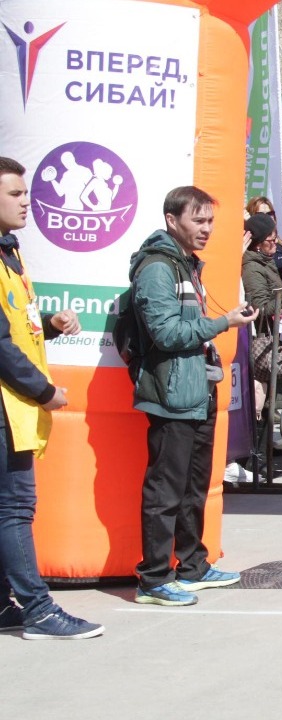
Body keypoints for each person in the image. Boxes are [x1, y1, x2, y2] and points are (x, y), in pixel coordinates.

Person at [130, 186, 258, 606]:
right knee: (165, 490)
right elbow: (166, 333)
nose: (206, 229)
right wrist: (222, 323)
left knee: (193, 487)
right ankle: (153, 579)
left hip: (197, 391)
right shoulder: (157, 268)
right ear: (172, 220)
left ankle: (192, 566)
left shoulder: (185, 264)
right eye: (198, 220)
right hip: (171, 395)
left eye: (210, 221)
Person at [0, 157, 103, 639]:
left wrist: (50, 326)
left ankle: (3, 605)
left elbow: (15, 329)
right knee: (14, 509)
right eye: (15, 194)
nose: (26, 202)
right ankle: (39, 609)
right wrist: (43, 391)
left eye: (25, 192)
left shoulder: (10, 253)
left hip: (14, 405)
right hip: (8, 407)